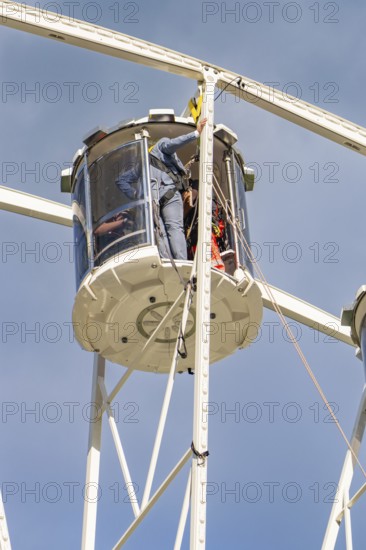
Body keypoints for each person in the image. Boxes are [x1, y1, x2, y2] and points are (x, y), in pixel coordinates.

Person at [149, 118, 207, 260]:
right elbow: (173, 144)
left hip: (154, 202)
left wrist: (134, 194)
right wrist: (196, 133)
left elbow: (122, 181)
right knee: (174, 228)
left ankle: (168, 262)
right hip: (170, 195)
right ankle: (181, 262)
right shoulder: (161, 145)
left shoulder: (143, 164)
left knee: (160, 232)